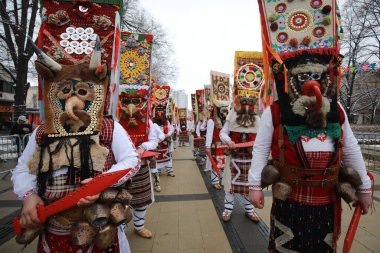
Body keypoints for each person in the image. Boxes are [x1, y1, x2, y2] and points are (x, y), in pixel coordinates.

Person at [249, 2, 373, 251]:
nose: (311, 83)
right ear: (292, 80)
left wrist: (365, 188)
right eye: (304, 77)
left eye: (316, 77)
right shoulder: (274, 112)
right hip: (289, 199)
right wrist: (254, 187)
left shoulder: (337, 112)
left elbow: (351, 148)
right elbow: (260, 149)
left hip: (326, 201)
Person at [12, 43, 138, 252]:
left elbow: (131, 160)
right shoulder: (42, 132)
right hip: (53, 226)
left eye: (81, 91)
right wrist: (30, 195)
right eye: (65, 90)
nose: (74, 99)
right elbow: (23, 168)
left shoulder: (108, 127)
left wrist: (99, 184)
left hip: (97, 224)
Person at [219, 92, 261, 223]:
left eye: (250, 101)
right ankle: (227, 209)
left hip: (251, 159)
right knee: (230, 186)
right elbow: (223, 133)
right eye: (244, 101)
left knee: (250, 185)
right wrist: (228, 141)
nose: (247, 104)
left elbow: (263, 137)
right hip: (234, 157)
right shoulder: (232, 114)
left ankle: (249, 209)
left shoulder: (258, 118)